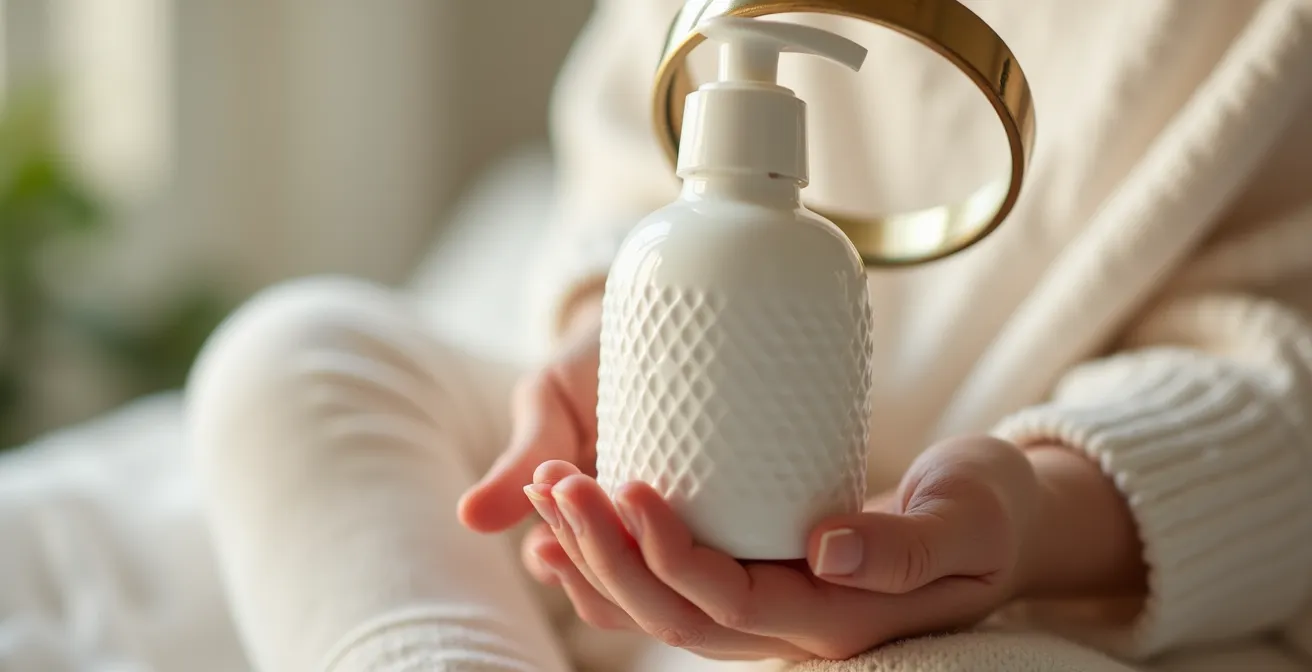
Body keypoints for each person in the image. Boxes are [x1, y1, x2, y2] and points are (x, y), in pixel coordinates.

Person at [186, 0, 1312, 669]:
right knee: (296, 356)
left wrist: (1039, 513)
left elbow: (1283, 376)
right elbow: (633, 156)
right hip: (611, 511)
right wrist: (603, 339)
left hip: (1024, 577)